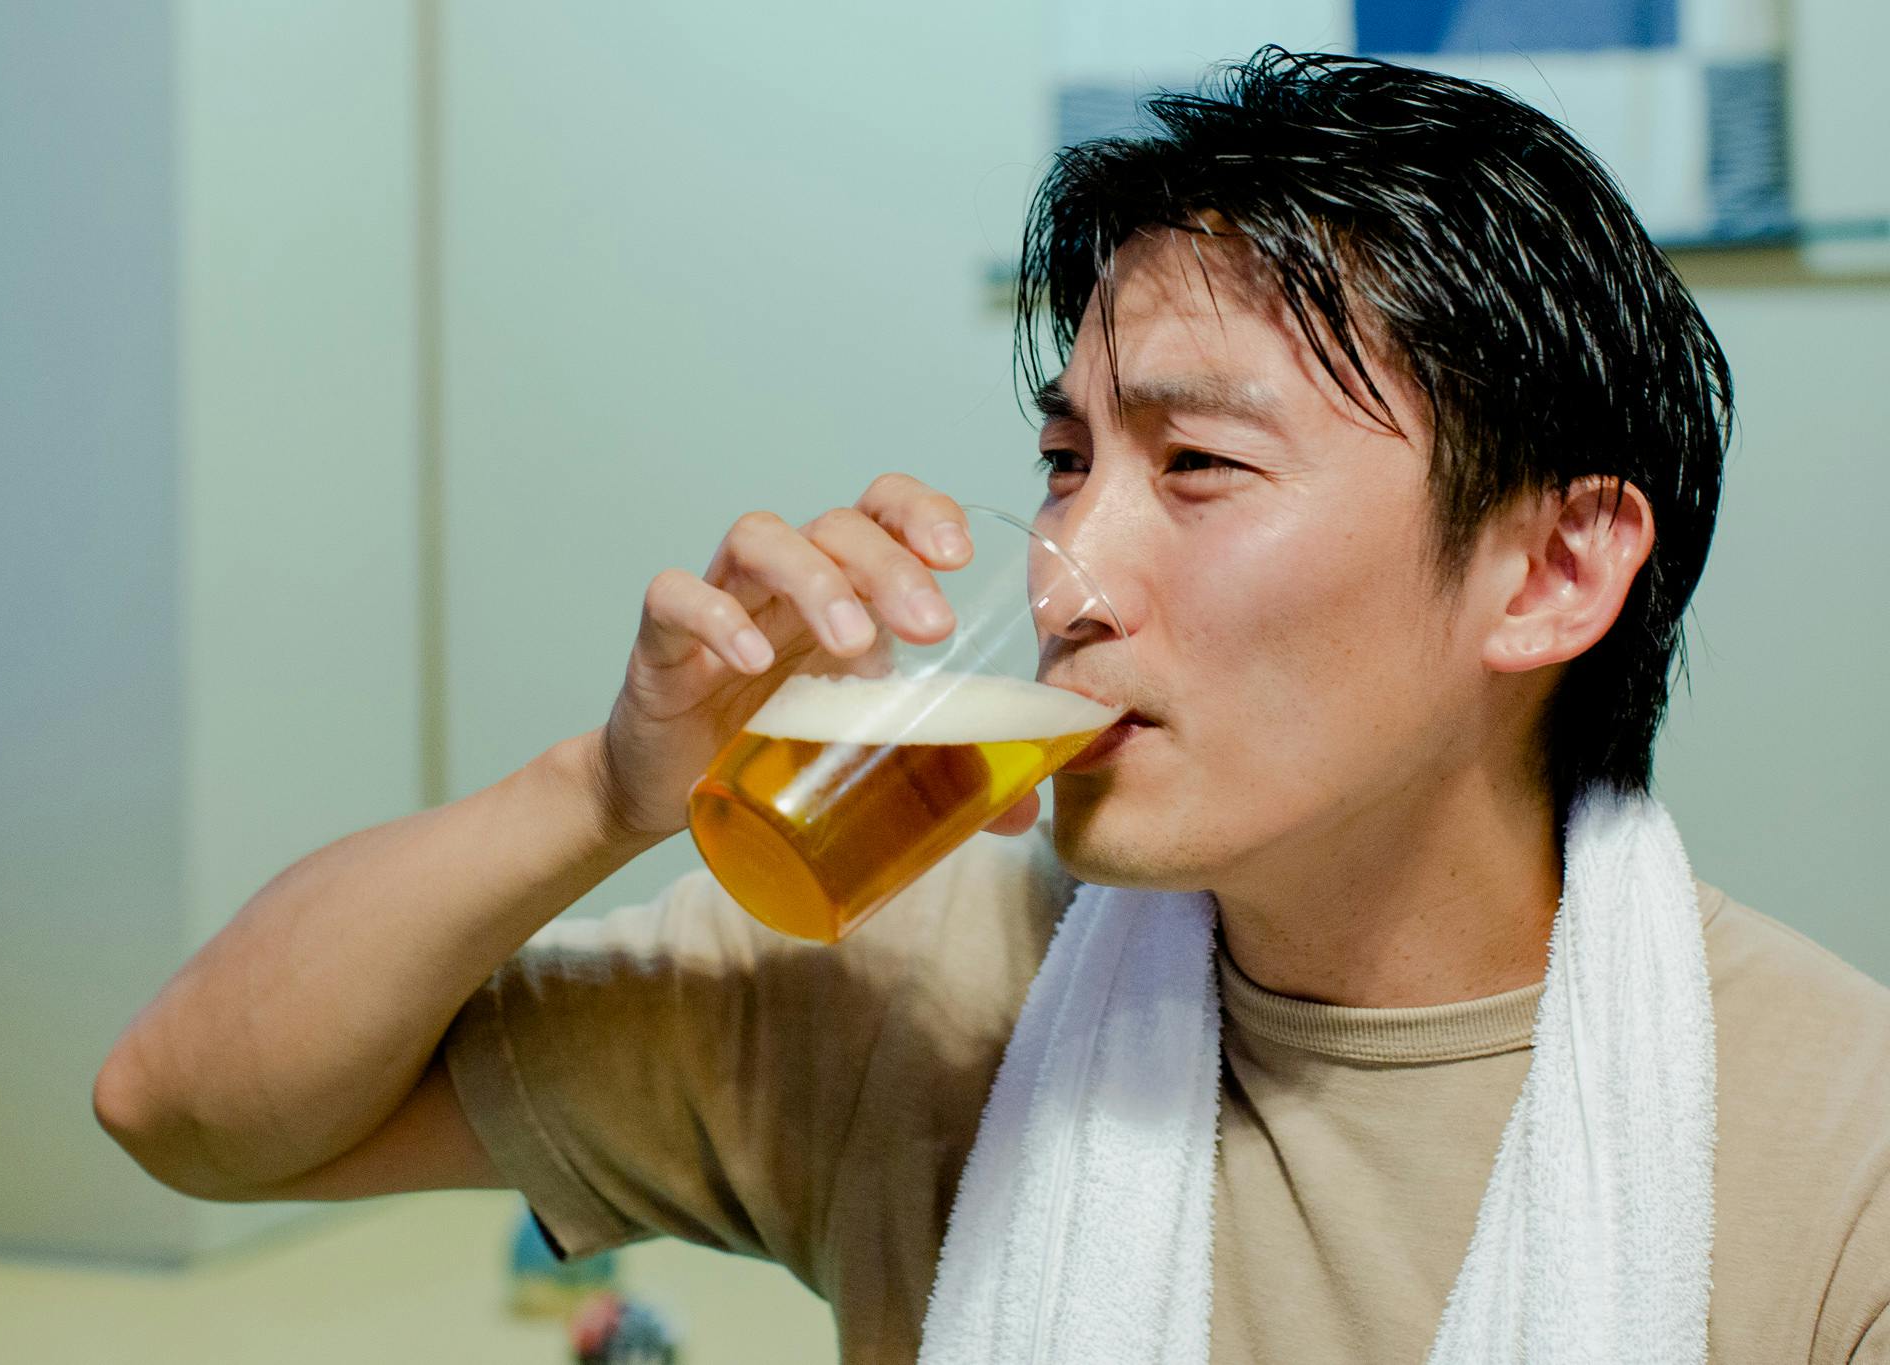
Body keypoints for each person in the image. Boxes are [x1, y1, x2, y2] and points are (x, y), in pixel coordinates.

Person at [94, 49, 1890, 1363]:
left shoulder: (1832, 1148)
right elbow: (185, 1105)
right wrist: (601, 789)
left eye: (1197, 463)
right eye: (1064, 460)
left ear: (1553, 571)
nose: (1064, 574)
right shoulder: (928, 987)